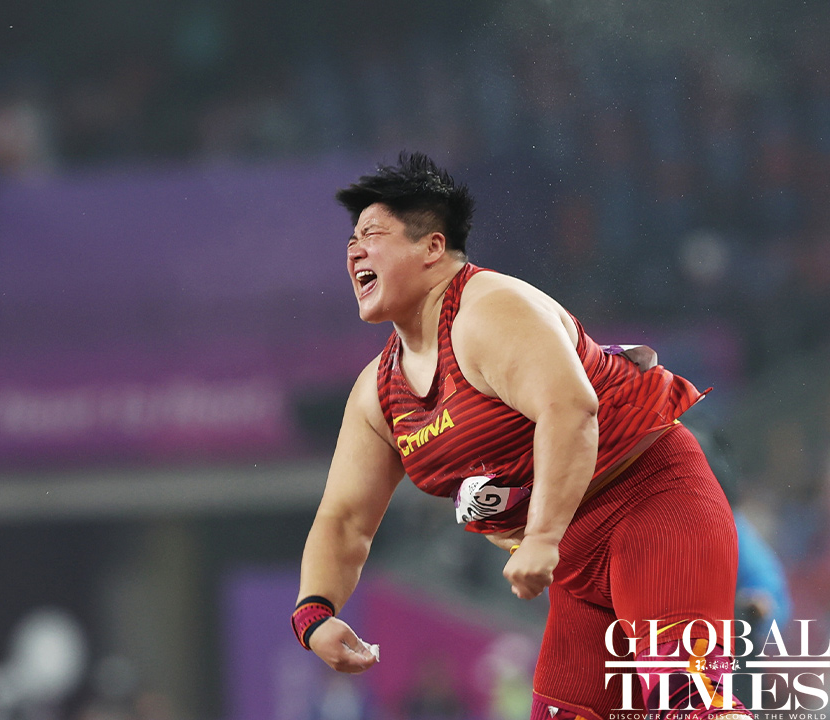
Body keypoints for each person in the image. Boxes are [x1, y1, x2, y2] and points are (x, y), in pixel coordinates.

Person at [292, 153, 752, 719]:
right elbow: (344, 518)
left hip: (653, 507)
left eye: (373, 235)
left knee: (690, 709)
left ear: (433, 247)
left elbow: (572, 411)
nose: (354, 251)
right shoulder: (376, 393)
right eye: (350, 242)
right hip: (578, 572)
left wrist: (540, 537)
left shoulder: (489, 311)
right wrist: (315, 613)